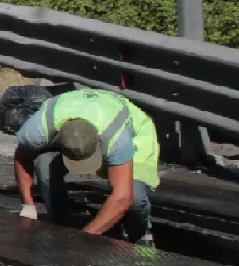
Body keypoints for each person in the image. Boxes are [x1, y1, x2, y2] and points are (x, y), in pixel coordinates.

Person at [14, 87, 160, 241]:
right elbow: (22, 158)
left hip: (133, 129)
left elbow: (123, 197)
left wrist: (83, 238)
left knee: (135, 197)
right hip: (74, 112)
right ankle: (61, 229)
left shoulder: (117, 137)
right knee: (44, 166)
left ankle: (140, 235)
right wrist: (27, 205)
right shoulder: (40, 128)